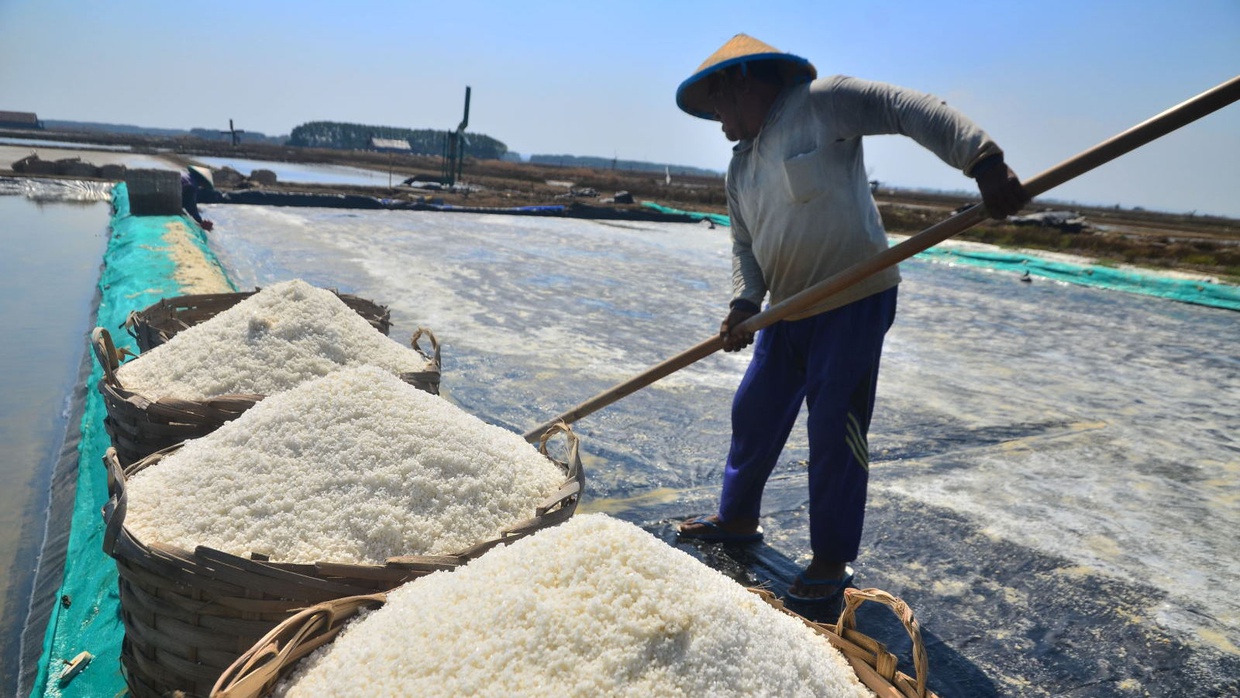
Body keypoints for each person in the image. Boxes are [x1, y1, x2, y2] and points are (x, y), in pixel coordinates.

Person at [674, 34, 1027, 603]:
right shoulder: (739, 169)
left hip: (853, 301)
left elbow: (908, 108)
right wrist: (745, 303)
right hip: (787, 310)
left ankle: (831, 560)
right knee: (754, 412)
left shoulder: (821, 102)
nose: (714, 117)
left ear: (741, 82)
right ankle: (736, 519)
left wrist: (982, 159)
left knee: (836, 428)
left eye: (715, 102)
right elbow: (745, 245)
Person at [182, 165, 215, 231]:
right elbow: (191, 206)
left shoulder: (185, 176)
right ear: (201, 180)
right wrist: (200, 221)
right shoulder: (191, 185)